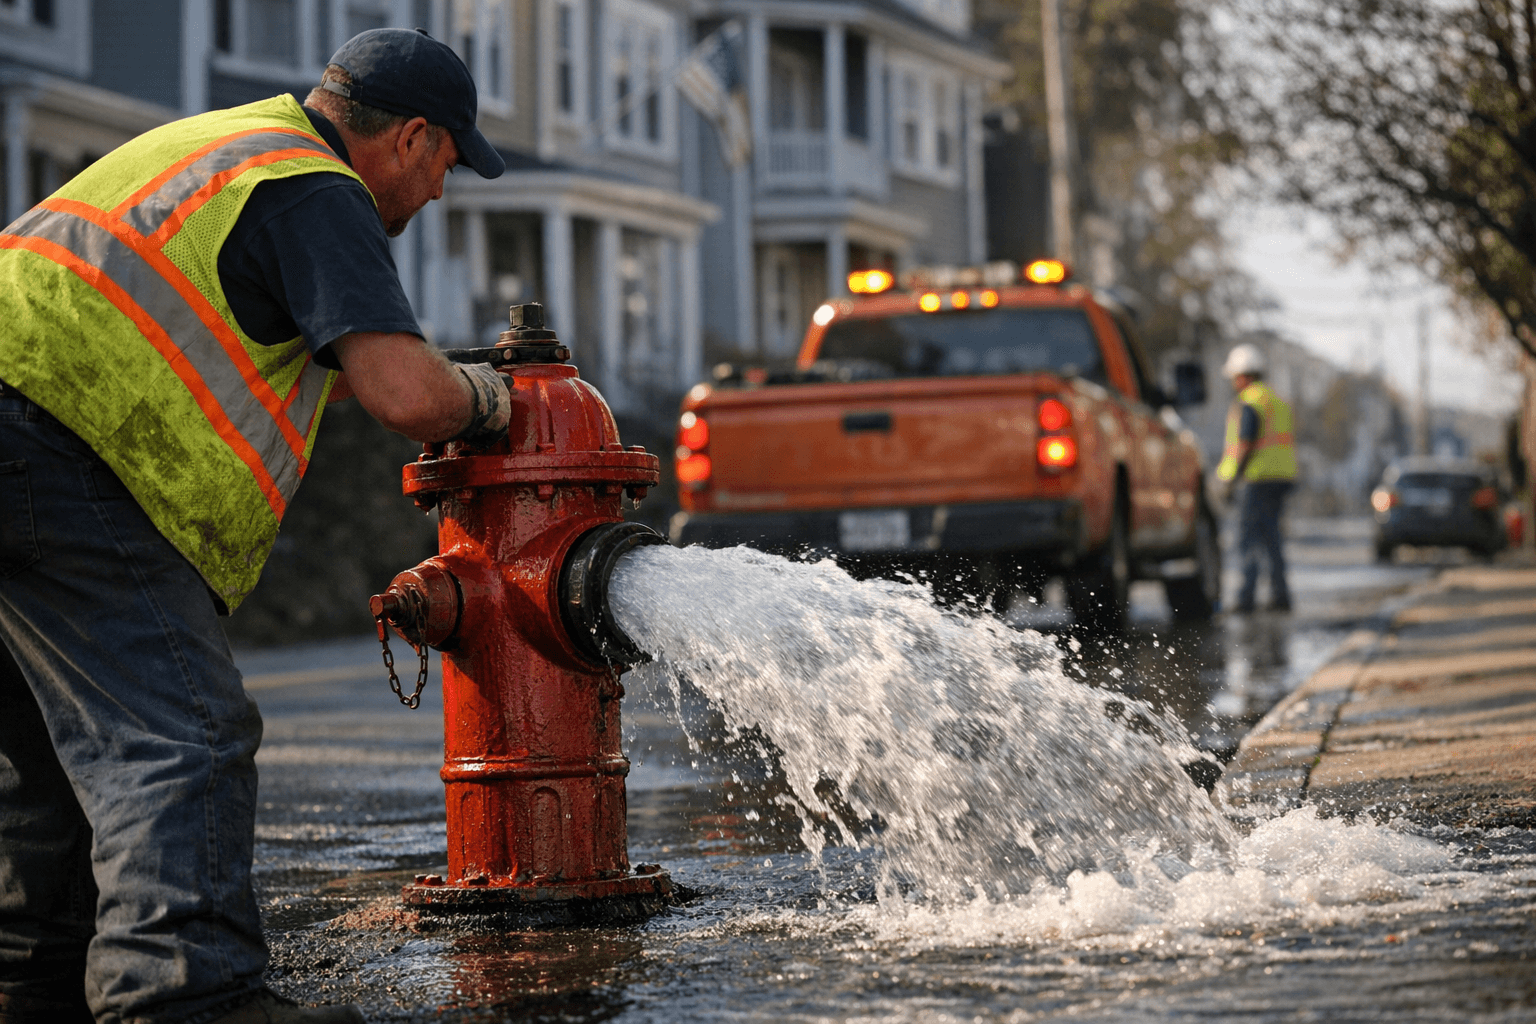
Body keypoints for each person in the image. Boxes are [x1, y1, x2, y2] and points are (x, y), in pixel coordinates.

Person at [0, 28, 514, 1024]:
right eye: (447, 163)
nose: (442, 190)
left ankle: (30, 989)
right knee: (181, 733)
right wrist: (490, 399)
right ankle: (186, 996)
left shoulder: (222, 148)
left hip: (24, 414)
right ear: (409, 138)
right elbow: (405, 393)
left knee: (46, 752)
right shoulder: (315, 187)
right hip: (53, 433)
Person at [1215, 343, 1298, 613]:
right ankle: (1280, 595)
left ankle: (1245, 597)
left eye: (1235, 377)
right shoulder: (1276, 400)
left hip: (1256, 479)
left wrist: (1230, 480)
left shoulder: (1249, 402)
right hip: (1282, 478)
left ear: (1244, 376)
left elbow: (1245, 444)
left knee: (1248, 538)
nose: (1233, 383)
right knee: (1272, 536)